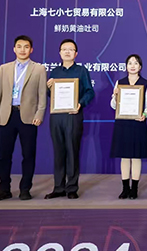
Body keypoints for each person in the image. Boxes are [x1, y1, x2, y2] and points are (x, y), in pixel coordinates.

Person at [45, 39, 95, 200]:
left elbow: (89, 92)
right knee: (58, 152)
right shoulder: (55, 72)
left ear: (76, 53)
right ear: (60, 52)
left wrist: (80, 104)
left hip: (74, 115)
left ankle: (72, 187)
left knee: (72, 151)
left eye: (70, 49)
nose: (67, 52)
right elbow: (51, 95)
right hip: (56, 117)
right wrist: (48, 88)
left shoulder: (81, 71)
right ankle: (58, 187)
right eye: (64, 49)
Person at [0, 35, 47, 201]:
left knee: (28, 155)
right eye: (19, 46)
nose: (22, 50)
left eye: (26, 47)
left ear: (31, 50)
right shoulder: (3, 69)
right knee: (3, 155)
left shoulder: (39, 69)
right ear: (14, 49)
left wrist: (39, 114)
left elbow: (42, 95)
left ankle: (25, 189)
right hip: (6, 116)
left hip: (28, 117)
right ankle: (4, 189)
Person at [110, 54, 147, 200]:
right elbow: (113, 106)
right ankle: (125, 188)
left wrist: (145, 114)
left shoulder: (146, 84)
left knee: (136, 156)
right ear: (126, 66)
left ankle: (134, 189)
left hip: (137, 123)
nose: (132, 66)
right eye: (130, 63)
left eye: (136, 63)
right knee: (124, 157)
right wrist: (115, 96)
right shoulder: (120, 83)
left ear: (140, 67)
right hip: (123, 123)